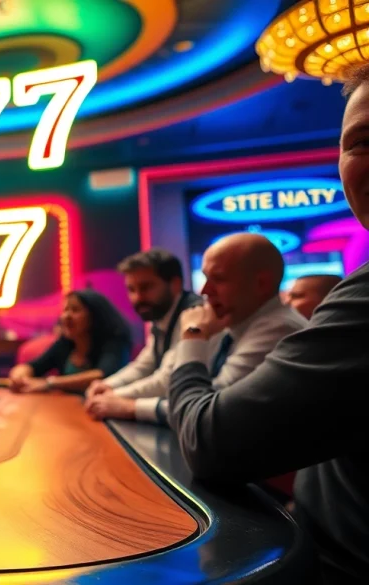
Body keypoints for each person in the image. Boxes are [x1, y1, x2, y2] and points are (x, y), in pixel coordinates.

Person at [165, 70, 369, 584]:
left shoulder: (278, 323)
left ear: (262, 283)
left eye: (218, 279)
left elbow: (212, 440)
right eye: (360, 142)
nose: (205, 293)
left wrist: (192, 342)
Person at [83, 249, 204, 422]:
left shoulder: (194, 314)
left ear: (175, 284)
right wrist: (107, 385)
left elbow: (167, 380)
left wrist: (112, 395)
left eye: (146, 287)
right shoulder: (161, 315)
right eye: (131, 289)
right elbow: (144, 365)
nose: (137, 298)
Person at [8, 289, 132, 393]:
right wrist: (19, 375)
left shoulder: (115, 341)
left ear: (94, 316)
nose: (67, 316)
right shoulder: (65, 343)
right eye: (65, 310)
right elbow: (33, 367)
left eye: (75, 310)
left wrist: (50, 383)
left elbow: (103, 375)